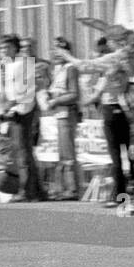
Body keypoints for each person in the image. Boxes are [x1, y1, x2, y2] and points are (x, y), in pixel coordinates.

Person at [65, 28, 131, 208]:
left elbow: (86, 67)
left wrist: (67, 56)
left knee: (116, 155)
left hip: (112, 108)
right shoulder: (130, 59)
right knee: (132, 155)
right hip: (130, 109)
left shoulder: (113, 62)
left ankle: (121, 197)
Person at [0, 35, 45, 203]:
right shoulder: (7, 66)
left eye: (6, 48)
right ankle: (36, 191)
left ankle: (25, 191)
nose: (3, 51)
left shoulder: (22, 65)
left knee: (22, 152)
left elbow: (22, 92)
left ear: (15, 48)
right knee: (24, 151)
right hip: (14, 111)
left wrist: (8, 106)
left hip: (22, 112)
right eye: (0, 49)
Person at [46, 37, 84, 201]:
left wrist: (55, 100)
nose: (57, 54)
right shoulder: (57, 69)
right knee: (62, 152)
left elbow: (74, 94)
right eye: (55, 50)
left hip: (67, 113)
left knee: (67, 152)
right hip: (59, 114)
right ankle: (64, 187)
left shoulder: (70, 68)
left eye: (61, 50)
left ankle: (72, 189)